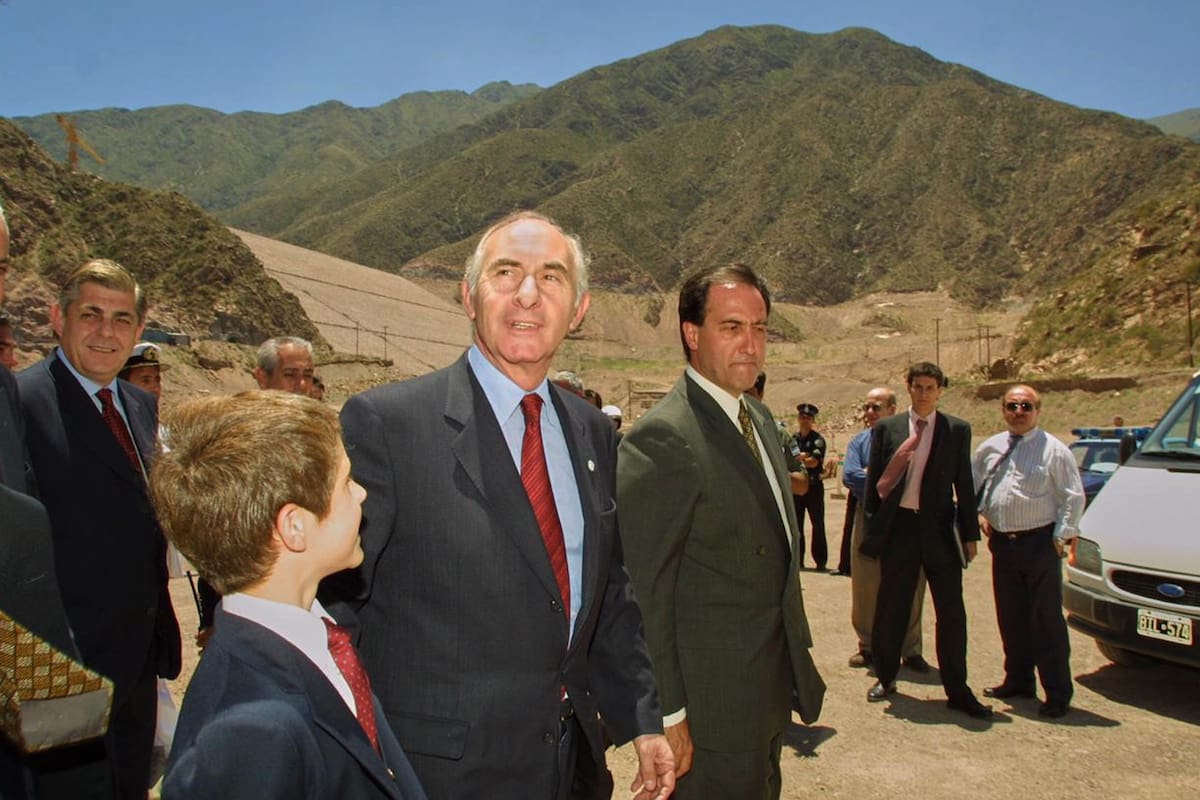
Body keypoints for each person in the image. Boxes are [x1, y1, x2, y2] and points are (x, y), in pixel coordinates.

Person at [324, 212, 674, 800]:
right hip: (436, 776)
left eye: (552, 277)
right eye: (505, 273)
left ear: (580, 309)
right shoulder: (388, 425)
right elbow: (338, 608)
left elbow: (609, 592)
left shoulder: (593, 433)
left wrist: (641, 720)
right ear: (468, 296)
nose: (528, 295)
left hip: (569, 769)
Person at [149, 392, 427, 799]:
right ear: (294, 526)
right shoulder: (251, 731)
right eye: (346, 482)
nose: (362, 494)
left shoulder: (324, 640)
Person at [617, 263, 824, 800]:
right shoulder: (665, 438)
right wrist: (668, 713)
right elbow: (646, 595)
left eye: (759, 328)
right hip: (711, 715)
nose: (751, 344)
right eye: (732, 327)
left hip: (766, 694)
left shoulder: (755, 419)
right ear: (692, 334)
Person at [17, 259, 183, 797]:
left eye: (121, 318)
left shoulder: (138, 404)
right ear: (56, 318)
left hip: (136, 662)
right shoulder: (21, 403)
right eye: (91, 315)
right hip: (57, 668)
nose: (106, 332)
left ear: (139, 329)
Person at [861, 362, 990, 718]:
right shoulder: (887, 429)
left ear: (940, 390)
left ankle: (957, 689)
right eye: (917, 386)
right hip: (900, 529)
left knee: (951, 611)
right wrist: (877, 530)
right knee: (891, 608)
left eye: (929, 387)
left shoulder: (956, 430)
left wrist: (969, 534)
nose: (922, 393)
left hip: (938, 530)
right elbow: (874, 487)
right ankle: (886, 677)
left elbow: (964, 484)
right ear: (908, 388)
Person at [973, 385, 1083, 719]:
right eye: (1012, 406)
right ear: (1003, 409)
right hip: (1004, 545)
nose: (1019, 412)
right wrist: (981, 513)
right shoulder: (989, 448)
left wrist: (1062, 536)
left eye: (1026, 406)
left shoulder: (1054, 450)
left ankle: (1057, 692)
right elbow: (974, 485)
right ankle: (1019, 680)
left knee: (1046, 620)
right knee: (1011, 617)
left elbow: (1072, 496)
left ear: (1038, 410)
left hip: (1039, 544)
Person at [842, 387, 928, 672]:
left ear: (893, 409)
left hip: (905, 520)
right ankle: (867, 646)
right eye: (866, 407)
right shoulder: (858, 442)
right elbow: (850, 476)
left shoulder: (911, 439)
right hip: (868, 516)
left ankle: (910, 648)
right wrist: (887, 480)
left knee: (911, 584)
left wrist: (874, 477)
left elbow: (915, 476)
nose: (869, 413)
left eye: (876, 407)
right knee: (866, 583)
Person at [791, 403, 828, 570]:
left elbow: (814, 462)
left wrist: (801, 458)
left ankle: (820, 561)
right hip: (798, 488)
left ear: (812, 420)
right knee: (797, 525)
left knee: (817, 524)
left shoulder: (818, 440)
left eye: (808, 418)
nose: (804, 420)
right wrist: (804, 457)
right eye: (802, 417)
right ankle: (798, 561)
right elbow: (788, 458)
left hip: (813, 487)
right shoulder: (793, 439)